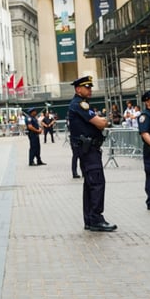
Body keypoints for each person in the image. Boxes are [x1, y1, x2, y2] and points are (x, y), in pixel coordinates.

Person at [67, 75, 116, 232]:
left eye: (90, 87)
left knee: (90, 184)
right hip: (88, 150)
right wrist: (105, 120)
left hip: (88, 149)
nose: (90, 90)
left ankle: (90, 219)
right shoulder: (79, 105)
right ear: (78, 89)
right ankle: (96, 219)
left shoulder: (82, 104)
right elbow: (100, 123)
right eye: (86, 87)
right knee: (96, 183)